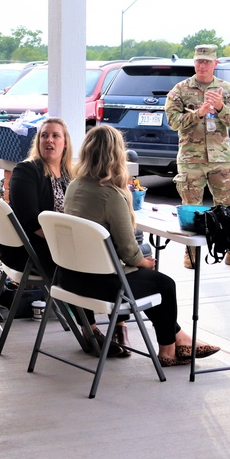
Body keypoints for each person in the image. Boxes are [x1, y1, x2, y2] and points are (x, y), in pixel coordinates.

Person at [63, 125, 220, 366]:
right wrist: (143, 262)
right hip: (101, 285)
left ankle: (181, 338)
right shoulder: (110, 195)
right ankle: (168, 351)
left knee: (147, 280)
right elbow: (128, 250)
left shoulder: (74, 187)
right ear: (116, 155)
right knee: (163, 284)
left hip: (72, 278)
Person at [6, 117, 126, 357]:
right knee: (77, 265)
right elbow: (29, 222)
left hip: (62, 246)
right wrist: (66, 246)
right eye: (44, 135)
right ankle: (90, 329)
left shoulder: (71, 174)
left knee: (113, 252)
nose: (49, 140)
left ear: (65, 143)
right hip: (30, 248)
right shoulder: (26, 171)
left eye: (55, 136)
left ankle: (119, 323)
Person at [165, 44, 230, 270]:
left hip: (220, 159)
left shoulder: (227, 90)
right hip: (191, 159)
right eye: (198, 61)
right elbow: (173, 122)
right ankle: (191, 252)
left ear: (216, 63)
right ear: (194, 62)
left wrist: (220, 106)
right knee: (191, 209)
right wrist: (198, 113)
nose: (202, 65)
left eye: (207, 61)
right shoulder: (180, 90)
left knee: (228, 208)